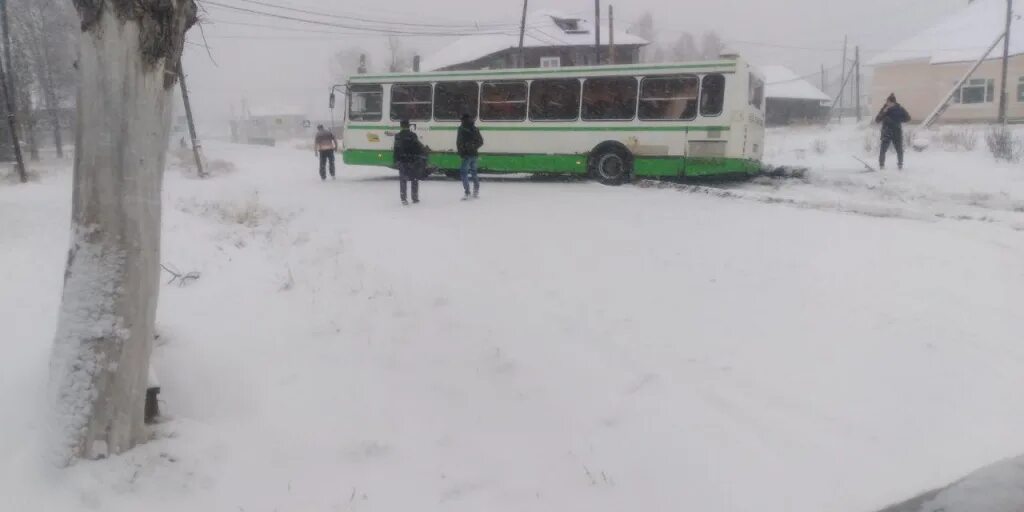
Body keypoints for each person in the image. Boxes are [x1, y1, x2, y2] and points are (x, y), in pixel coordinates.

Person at [393, 119, 426, 205]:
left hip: (402, 161)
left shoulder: (398, 136)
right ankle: (414, 198)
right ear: (408, 126)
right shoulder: (413, 135)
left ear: (401, 126)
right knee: (414, 179)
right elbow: (418, 147)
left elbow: (396, 149)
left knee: (403, 180)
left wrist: (395, 160)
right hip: (412, 160)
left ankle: (403, 199)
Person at [875, 93, 911, 170]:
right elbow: (877, 120)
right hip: (886, 131)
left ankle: (900, 165)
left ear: (892, 102)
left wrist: (897, 121)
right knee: (883, 149)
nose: (886, 103)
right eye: (886, 102)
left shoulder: (900, 109)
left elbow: (908, 118)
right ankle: (881, 165)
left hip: (896, 132)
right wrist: (884, 112)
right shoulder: (885, 109)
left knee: (899, 150)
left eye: (888, 102)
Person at [456, 113, 484, 199]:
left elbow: (459, 143)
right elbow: (481, 141)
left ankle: (467, 192)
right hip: (474, 154)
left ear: (462, 120)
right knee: (474, 173)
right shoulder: (475, 129)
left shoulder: (461, 129)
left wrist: (462, 152)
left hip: (466, 155)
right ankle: (476, 191)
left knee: (464, 173)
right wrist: (473, 147)